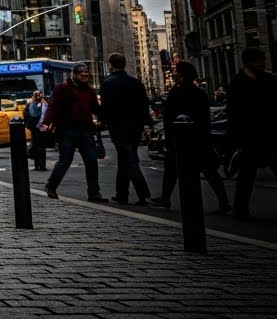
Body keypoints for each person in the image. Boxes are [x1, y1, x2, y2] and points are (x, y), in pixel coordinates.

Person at [154, 60, 231, 213]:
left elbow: (169, 119)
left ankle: (165, 198)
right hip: (200, 139)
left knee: (171, 170)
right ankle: (224, 202)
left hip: (180, 141)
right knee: (210, 171)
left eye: (176, 71)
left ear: (181, 75)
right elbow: (205, 119)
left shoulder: (176, 93)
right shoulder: (200, 93)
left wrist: (169, 141)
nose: (174, 74)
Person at [40, 62, 109, 202]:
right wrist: (46, 123)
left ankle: (94, 193)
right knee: (65, 161)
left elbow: (96, 109)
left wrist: (107, 118)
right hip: (66, 131)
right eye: (81, 73)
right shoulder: (62, 88)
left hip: (86, 131)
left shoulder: (89, 90)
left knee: (91, 161)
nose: (85, 75)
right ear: (74, 75)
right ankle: (51, 186)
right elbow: (53, 107)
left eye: (86, 72)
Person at [227, 47, 277, 220]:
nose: (262, 64)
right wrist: (235, 141)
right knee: (246, 175)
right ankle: (240, 209)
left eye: (263, 60)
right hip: (250, 137)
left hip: (270, 135)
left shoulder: (270, 80)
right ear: (249, 63)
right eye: (258, 61)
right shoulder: (237, 83)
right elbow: (233, 114)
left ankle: (239, 208)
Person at [98, 52, 155, 206]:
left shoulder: (108, 83)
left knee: (129, 160)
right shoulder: (136, 83)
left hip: (118, 127)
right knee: (125, 159)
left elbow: (107, 107)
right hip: (135, 127)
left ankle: (144, 195)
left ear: (110, 65)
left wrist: (102, 122)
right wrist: (147, 124)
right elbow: (144, 105)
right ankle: (121, 194)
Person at [23, 90, 48, 170]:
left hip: (34, 129)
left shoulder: (30, 105)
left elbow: (26, 116)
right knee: (41, 147)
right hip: (42, 128)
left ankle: (37, 166)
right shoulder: (45, 105)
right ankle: (42, 166)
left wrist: (30, 127)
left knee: (36, 146)